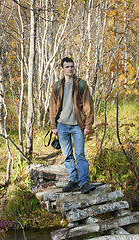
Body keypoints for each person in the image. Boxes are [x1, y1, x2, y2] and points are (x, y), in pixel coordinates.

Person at [50, 57, 96, 194]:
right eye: (67, 67)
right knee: (67, 155)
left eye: (72, 66)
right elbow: (53, 107)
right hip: (62, 126)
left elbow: (89, 106)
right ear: (62, 69)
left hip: (78, 126)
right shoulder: (57, 85)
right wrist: (53, 125)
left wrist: (88, 125)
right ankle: (73, 180)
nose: (70, 69)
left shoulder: (81, 84)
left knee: (80, 154)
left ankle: (84, 183)